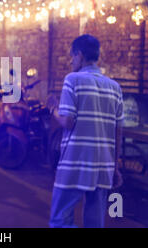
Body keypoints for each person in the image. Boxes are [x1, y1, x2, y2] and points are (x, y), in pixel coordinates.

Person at [47, 34, 124, 228]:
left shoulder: (72, 80)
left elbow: (67, 121)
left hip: (75, 162)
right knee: (95, 221)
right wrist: (115, 167)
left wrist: (53, 110)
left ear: (80, 55)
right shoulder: (115, 87)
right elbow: (118, 132)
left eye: (72, 57)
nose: (71, 61)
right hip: (103, 165)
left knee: (60, 218)